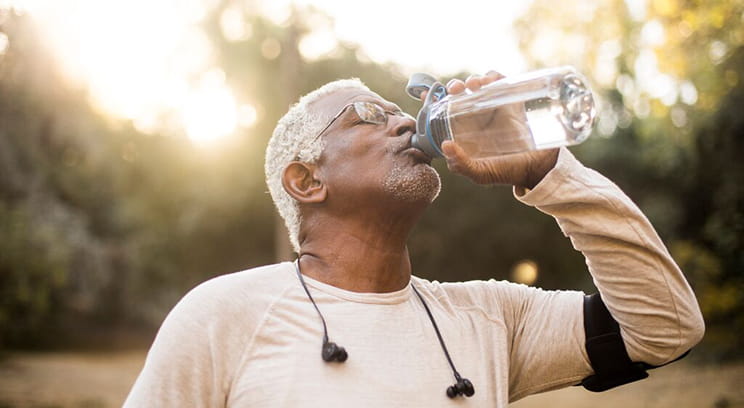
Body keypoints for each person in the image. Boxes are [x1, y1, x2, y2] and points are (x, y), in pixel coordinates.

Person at [124, 71, 705, 407]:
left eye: (399, 111)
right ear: (306, 180)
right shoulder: (223, 315)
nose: (403, 122)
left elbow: (666, 328)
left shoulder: (490, 317)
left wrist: (547, 175)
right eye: (366, 116)